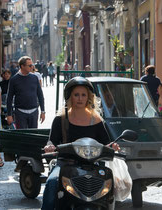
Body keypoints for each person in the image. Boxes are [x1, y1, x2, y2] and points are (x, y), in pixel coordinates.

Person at [41, 77, 119, 210]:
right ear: (70, 97)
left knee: (109, 184)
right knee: (52, 183)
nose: (80, 98)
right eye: (76, 95)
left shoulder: (96, 119)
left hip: (92, 164)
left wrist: (113, 146)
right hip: (65, 163)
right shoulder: (61, 119)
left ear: (89, 97)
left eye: (83, 95)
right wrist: (50, 146)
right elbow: (52, 140)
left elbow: (106, 142)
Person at [7, 56, 45, 129]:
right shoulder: (14, 80)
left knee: (33, 136)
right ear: (22, 66)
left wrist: (43, 111)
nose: (32, 67)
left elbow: (40, 95)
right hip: (20, 113)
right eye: (30, 65)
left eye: (32, 65)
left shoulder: (34, 78)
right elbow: (9, 98)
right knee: (22, 137)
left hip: (34, 112)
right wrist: (9, 115)